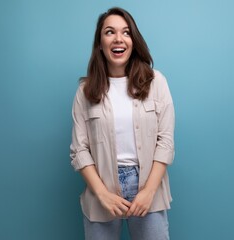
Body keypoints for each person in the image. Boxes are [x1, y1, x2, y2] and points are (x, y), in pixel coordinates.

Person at [70, 7, 175, 240]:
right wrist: (102, 194)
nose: (118, 38)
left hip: (149, 188)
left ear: (133, 41)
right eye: (109, 32)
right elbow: (79, 150)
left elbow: (165, 142)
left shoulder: (156, 82)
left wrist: (148, 191)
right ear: (100, 43)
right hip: (102, 191)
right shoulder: (85, 91)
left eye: (126, 32)